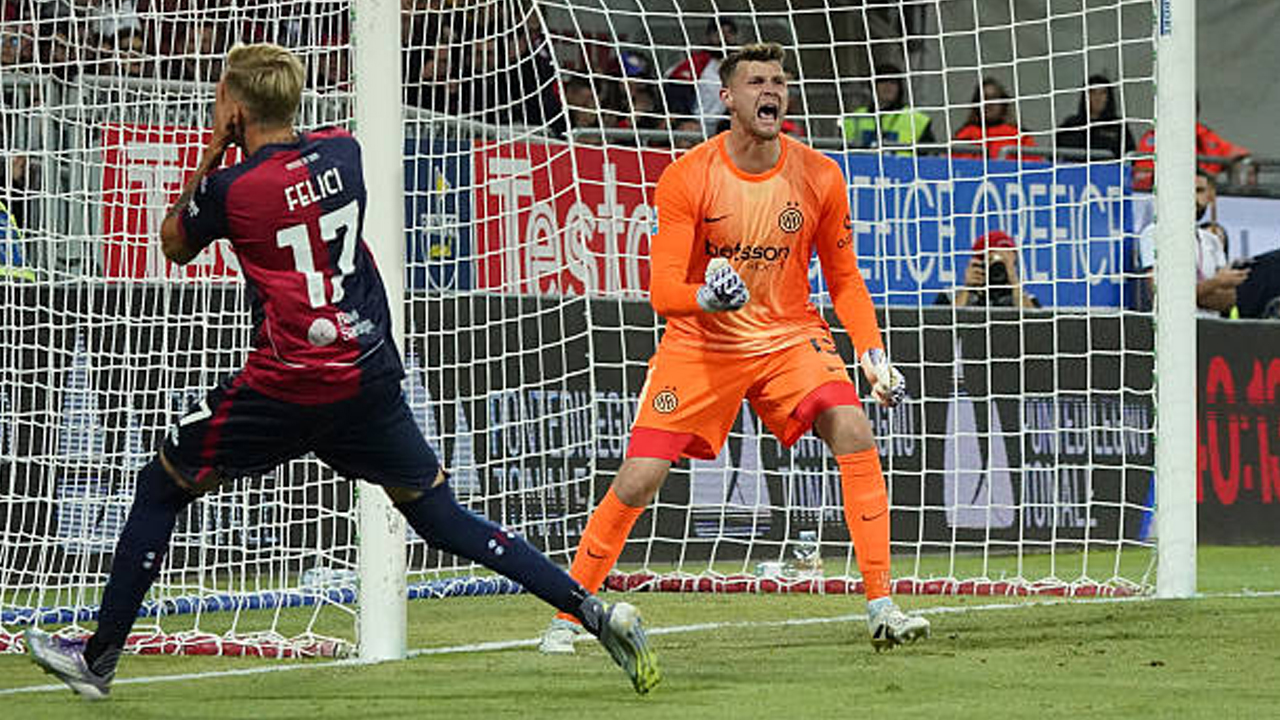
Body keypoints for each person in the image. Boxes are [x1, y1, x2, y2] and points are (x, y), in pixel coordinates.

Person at [24, 42, 660, 698]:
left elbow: (173, 244)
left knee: (162, 486)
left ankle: (98, 659)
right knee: (441, 516)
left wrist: (213, 153)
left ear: (234, 107)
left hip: (286, 384)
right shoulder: (344, 152)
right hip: (365, 377)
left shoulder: (231, 190)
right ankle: (594, 612)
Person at [539, 42, 931, 656]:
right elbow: (663, 291)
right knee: (639, 478)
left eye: (779, 82)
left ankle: (883, 605)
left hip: (788, 336)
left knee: (854, 427)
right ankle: (568, 616)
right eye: (756, 82)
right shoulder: (689, 175)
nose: (771, 91)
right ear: (727, 97)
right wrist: (706, 298)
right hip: (703, 341)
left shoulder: (820, 175)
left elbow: (845, 279)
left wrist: (872, 353)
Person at [1136, 170, 1247, 316]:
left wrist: (1188, 295)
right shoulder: (1155, 233)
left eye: (1199, 191)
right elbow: (1163, 296)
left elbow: (1228, 301)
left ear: (1209, 195)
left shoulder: (1213, 240)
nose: (1193, 197)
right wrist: (1216, 283)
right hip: (1172, 327)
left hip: (1212, 327)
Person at [663, 16, 738, 133]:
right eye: (719, 33)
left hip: (729, 125)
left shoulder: (742, 66)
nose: (724, 38)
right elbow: (677, 95)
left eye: (729, 33)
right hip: (695, 125)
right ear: (709, 36)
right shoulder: (695, 64)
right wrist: (685, 119)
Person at [842, 63, 936, 151]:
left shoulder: (916, 120)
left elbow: (930, 156)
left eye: (893, 82)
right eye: (883, 81)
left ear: (900, 88)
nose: (888, 86)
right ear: (873, 86)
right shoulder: (854, 118)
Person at [934, 230, 1040, 308]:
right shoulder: (949, 297)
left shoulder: (1025, 299)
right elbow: (944, 327)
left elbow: (1034, 327)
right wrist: (967, 289)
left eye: (1006, 263)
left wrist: (1015, 284)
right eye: (991, 261)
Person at [951, 77, 1037, 161]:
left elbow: (1033, 166)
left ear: (1003, 104)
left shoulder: (1020, 138)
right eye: (984, 98)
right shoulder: (964, 136)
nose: (989, 104)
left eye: (994, 98)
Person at [1056, 74, 1135, 161]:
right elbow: (1055, 155)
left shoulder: (1118, 126)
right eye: (1093, 92)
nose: (1097, 98)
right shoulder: (1071, 125)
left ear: (1109, 97)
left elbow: (1130, 156)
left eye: (1102, 93)